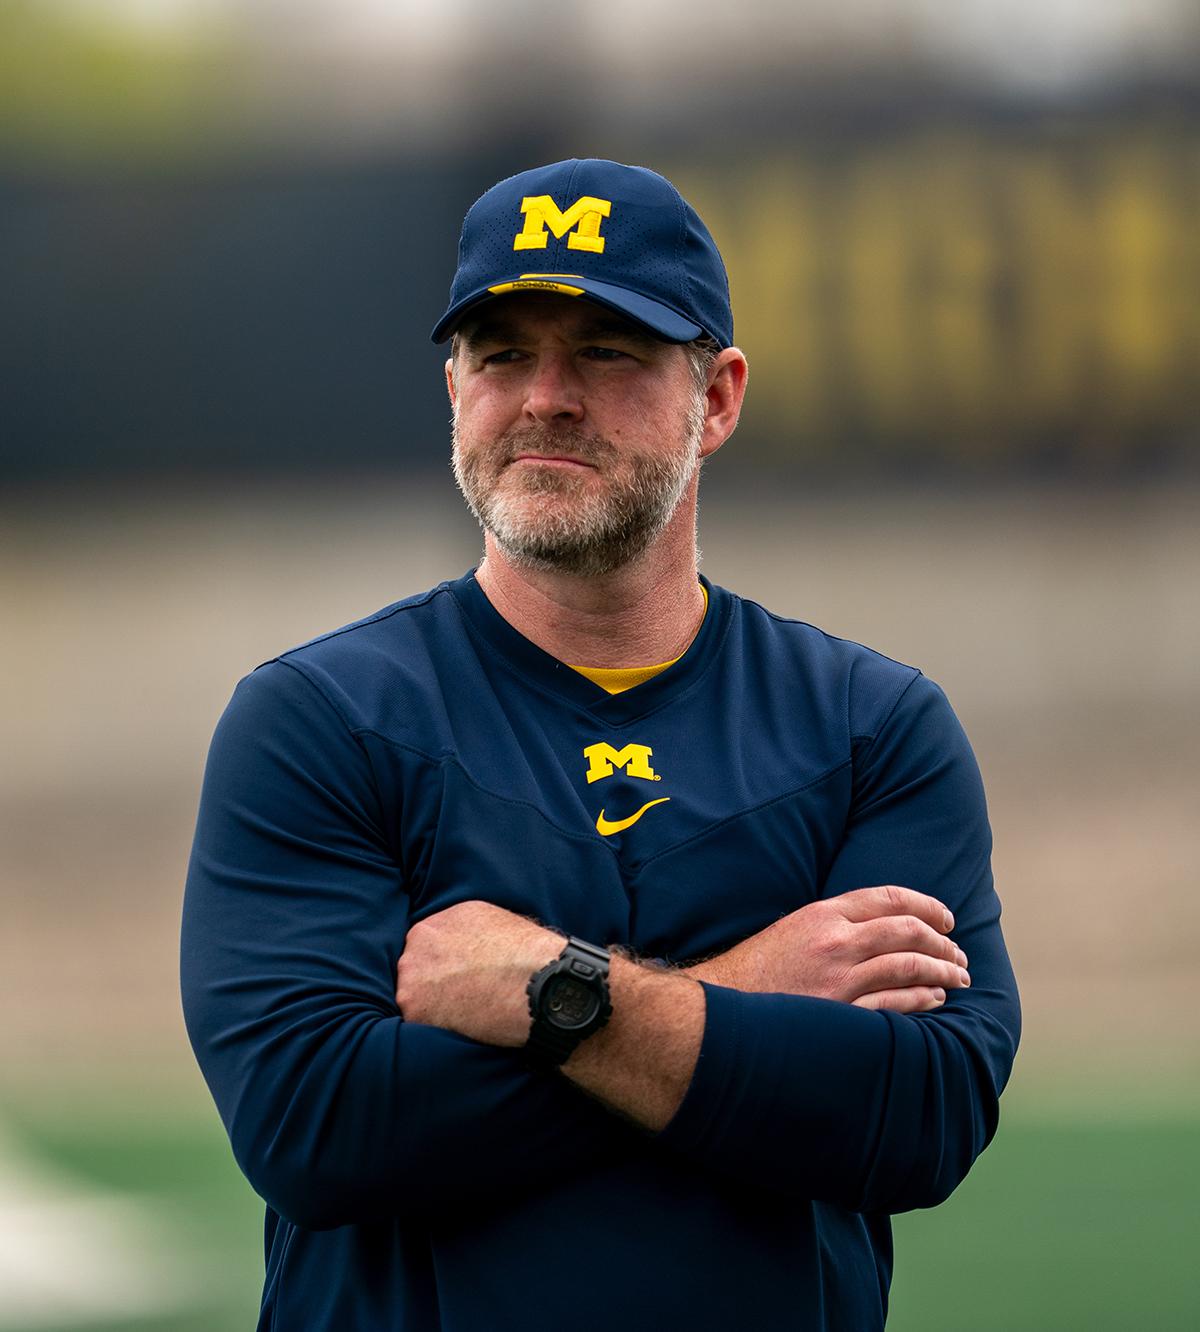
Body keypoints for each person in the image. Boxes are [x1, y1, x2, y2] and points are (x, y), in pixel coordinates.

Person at [181, 158, 1020, 1331]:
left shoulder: (868, 725)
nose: (546, 398)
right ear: (454, 386)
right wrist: (748, 992)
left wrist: (539, 994)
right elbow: (317, 1127)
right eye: (503, 353)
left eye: (609, 352)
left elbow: (920, 1117)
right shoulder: (320, 718)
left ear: (716, 398)